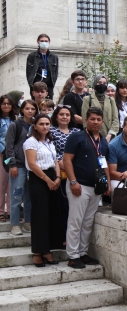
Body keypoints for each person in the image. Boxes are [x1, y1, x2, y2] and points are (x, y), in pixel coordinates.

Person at [63, 107, 110, 269]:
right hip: (79, 185)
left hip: (96, 187)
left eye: (98, 119)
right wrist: (73, 182)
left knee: (88, 222)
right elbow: (67, 160)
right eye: (92, 119)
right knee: (76, 221)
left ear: (102, 121)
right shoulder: (77, 136)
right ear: (86, 120)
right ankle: (72, 255)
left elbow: (104, 164)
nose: (95, 122)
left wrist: (107, 183)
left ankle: (82, 253)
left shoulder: (103, 141)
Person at [24, 114, 63, 266]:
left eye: (47, 124)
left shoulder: (49, 142)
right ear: (35, 126)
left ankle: (47, 250)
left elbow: (55, 161)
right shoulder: (30, 142)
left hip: (53, 176)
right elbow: (33, 165)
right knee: (40, 215)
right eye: (42, 124)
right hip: (39, 178)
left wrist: (58, 178)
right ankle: (37, 252)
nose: (45, 127)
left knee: (51, 213)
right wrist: (48, 181)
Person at [6, 100, 38, 235]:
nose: (30, 111)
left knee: (29, 196)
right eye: (27, 108)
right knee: (16, 195)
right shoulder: (15, 125)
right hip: (18, 166)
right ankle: (14, 224)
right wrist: (12, 165)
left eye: (32, 109)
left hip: (33, 166)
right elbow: (9, 146)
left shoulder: (37, 125)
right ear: (22, 110)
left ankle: (28, 222)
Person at [50, 105, 80, 246]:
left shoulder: (77, 132)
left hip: (76, 172)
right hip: (59, 172)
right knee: (62, 206)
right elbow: (50, 151)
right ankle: (62, 238)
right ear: (56, 116)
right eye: (61, 114)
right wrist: (61, 164)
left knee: (73, 207)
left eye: (67, 114)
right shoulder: (51, 131)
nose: (64, 117)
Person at [82, 74, 119, 143]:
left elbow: (115, 119)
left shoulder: (111, 100)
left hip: (110, 137)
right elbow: (85, 120)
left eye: (104, 83)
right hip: (93, 137)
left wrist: (110, 135)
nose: (102, 85)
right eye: (99, 83)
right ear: (95, 83)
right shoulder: (87, 99)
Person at [0, 95, 17, 223]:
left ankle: (11, 212)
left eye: (9, 104)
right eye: (4, 103)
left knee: (11, 183)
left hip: (11, 155)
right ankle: (0, 211)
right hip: (1, 154)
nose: (6, 106)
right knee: (2, 183)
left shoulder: (14, 120)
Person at [26, 34, 58, 99]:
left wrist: (52, 84)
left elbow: (55, 72)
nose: (44, 42)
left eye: (46, 41)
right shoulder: (32, 56)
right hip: (36, 84)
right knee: (36, 104)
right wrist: (31, 85)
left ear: (49, 42)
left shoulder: (54, 57)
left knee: (48, 104)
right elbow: (28, 72)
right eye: (42, 41)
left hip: (48, 85)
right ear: (38, 42)